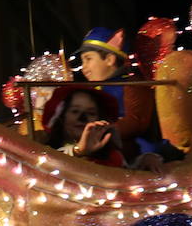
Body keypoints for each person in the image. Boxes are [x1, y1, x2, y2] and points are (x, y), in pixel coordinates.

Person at [76, 27, 178, 171]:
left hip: (134, 150)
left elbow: (135, 121)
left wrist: (100, 132)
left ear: (110, 59)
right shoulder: (90, 90)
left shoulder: (131, 84)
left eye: (88, 59)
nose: (83, 67)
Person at [41, 85, 126, 168]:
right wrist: (78, 151)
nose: (82, 119)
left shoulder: (113, 159)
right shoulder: (44, 152)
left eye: (91, 113)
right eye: (75, 111)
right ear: (61, 115)